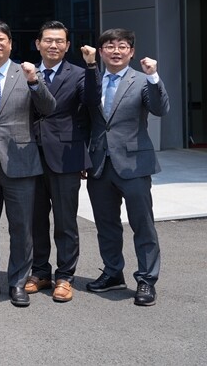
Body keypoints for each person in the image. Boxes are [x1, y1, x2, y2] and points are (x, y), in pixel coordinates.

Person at [0, 20, 55, 307]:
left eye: (1, 39)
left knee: (21, 227)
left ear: (11, 44)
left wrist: (34, 82)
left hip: (21, 162)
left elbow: (48, 108)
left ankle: (18, 282)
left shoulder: (28, 73)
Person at [80, 30, 169, 306]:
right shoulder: (92, 80)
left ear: (131, 52)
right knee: (106, 224)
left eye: (122, 46)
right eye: (109, 46)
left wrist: (154, 76)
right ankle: (112, 272)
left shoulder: (142, 80)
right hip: (99, 164)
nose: (116, 51)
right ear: (101, 52)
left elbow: (160, 108)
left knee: (142, 225)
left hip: (134, 165)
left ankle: (146, 279)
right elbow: (85, 120)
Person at [27, 21, 89, 303]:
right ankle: (40, 272)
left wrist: (92, 66)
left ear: (67, 45)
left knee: (65, 221)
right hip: (30, 155)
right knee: (36, 220)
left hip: (66, 156)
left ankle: (65, 276)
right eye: (48, 40)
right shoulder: (25, 72)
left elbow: (92, 106)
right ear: (38, 44)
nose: (53, 45)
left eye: (59, 41)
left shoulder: (79, 74)